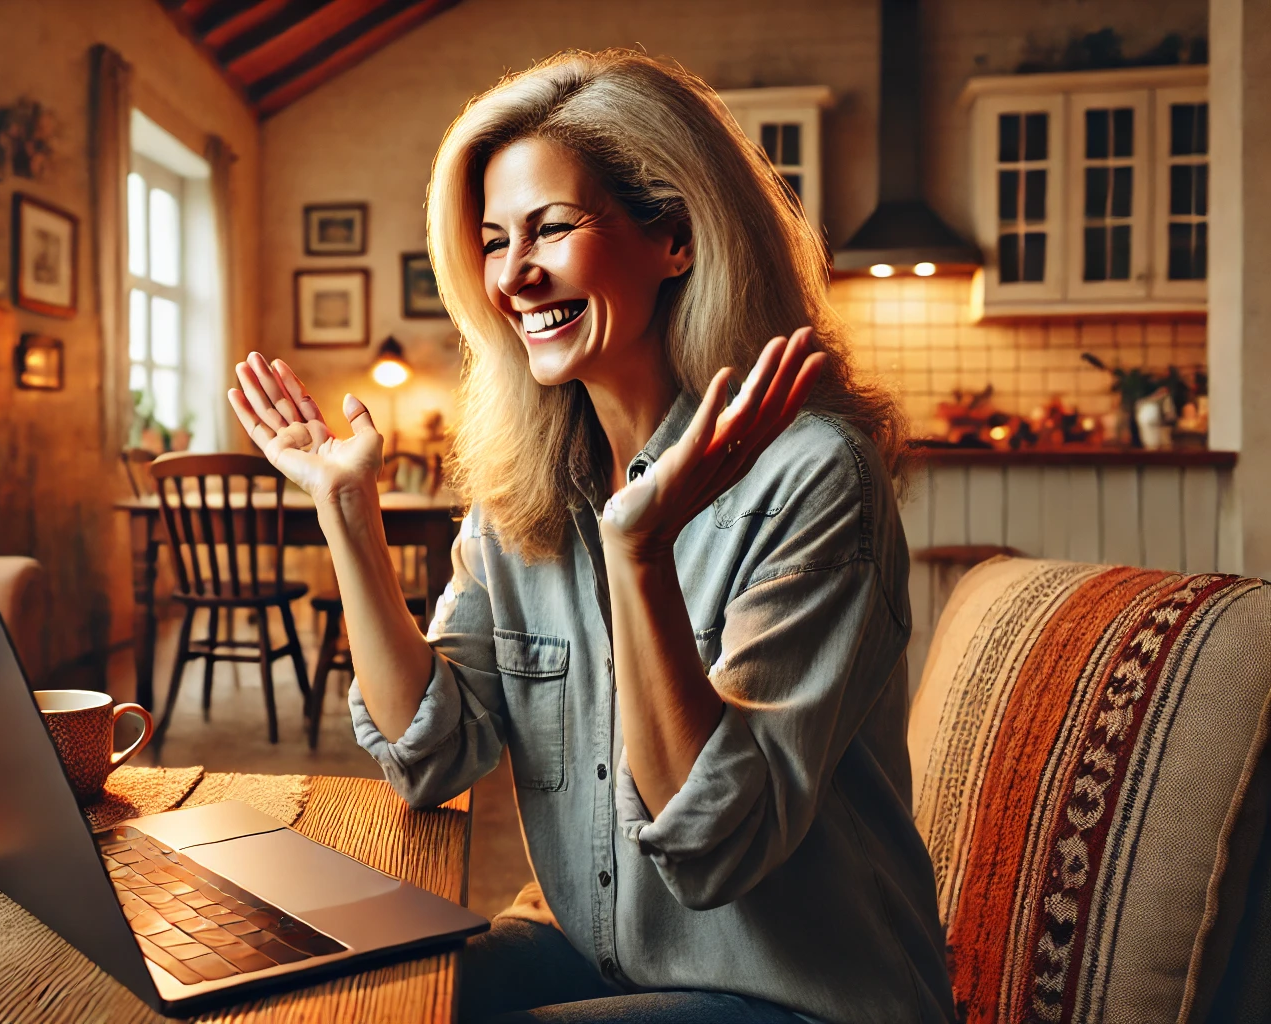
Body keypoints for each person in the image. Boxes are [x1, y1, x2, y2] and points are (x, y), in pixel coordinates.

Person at [228, 49, 952, 1024]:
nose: (514, 274)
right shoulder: (526, 487)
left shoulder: (811, 472)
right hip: (609, 963)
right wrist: (345, 515)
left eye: (550, 228)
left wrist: (640, 554)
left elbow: (714, 843)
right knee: (334, 1003)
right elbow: (431, 751)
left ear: (676, 238)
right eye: (491, 241)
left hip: (803, 996)